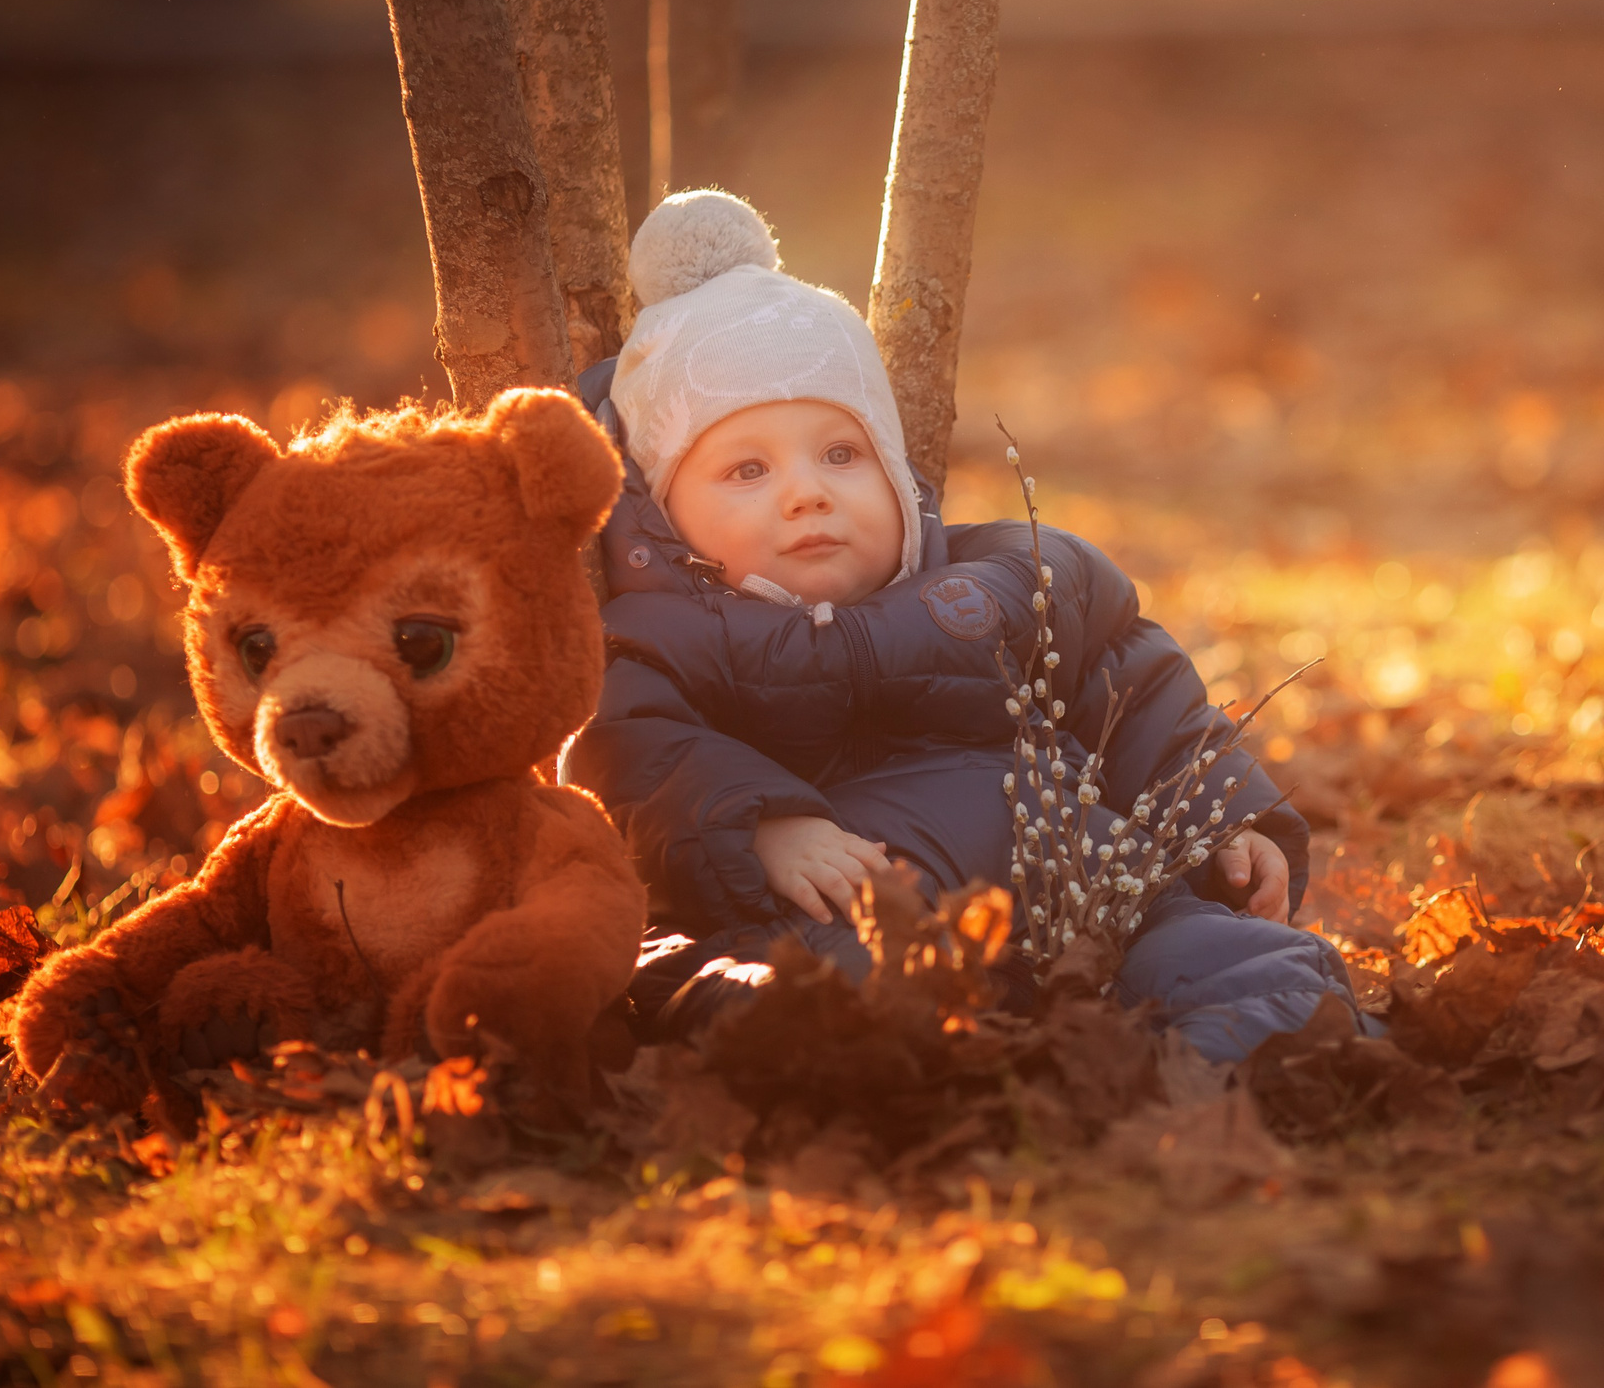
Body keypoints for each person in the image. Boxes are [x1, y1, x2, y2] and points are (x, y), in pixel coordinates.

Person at [562, 191, 1370, 1062]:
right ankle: (954, 1092)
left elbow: (1138, 703)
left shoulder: (1015, 582)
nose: (807, 491)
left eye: (842, 453)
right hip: (844, 916)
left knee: (1258, 970)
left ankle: (1213, 1078)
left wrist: (1219, 817)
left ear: (898, 475)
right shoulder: (655, 639)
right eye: (746, 469)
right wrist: (759, 824)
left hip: (1093, 897)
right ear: (667, 511)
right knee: (812, 1011)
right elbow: (629, 756)